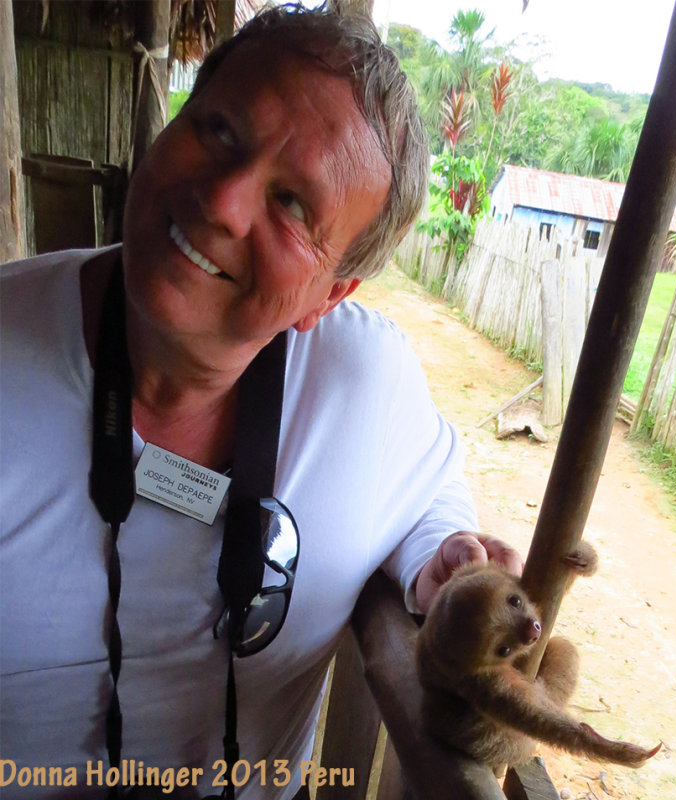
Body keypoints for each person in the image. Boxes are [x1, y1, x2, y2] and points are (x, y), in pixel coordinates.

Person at [0, 4, 521, 798]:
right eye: (218, 131)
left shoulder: (360, 378)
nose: (222, 202)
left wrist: (440, 557)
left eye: (292, 205)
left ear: (330, 292)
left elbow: (429, 491)